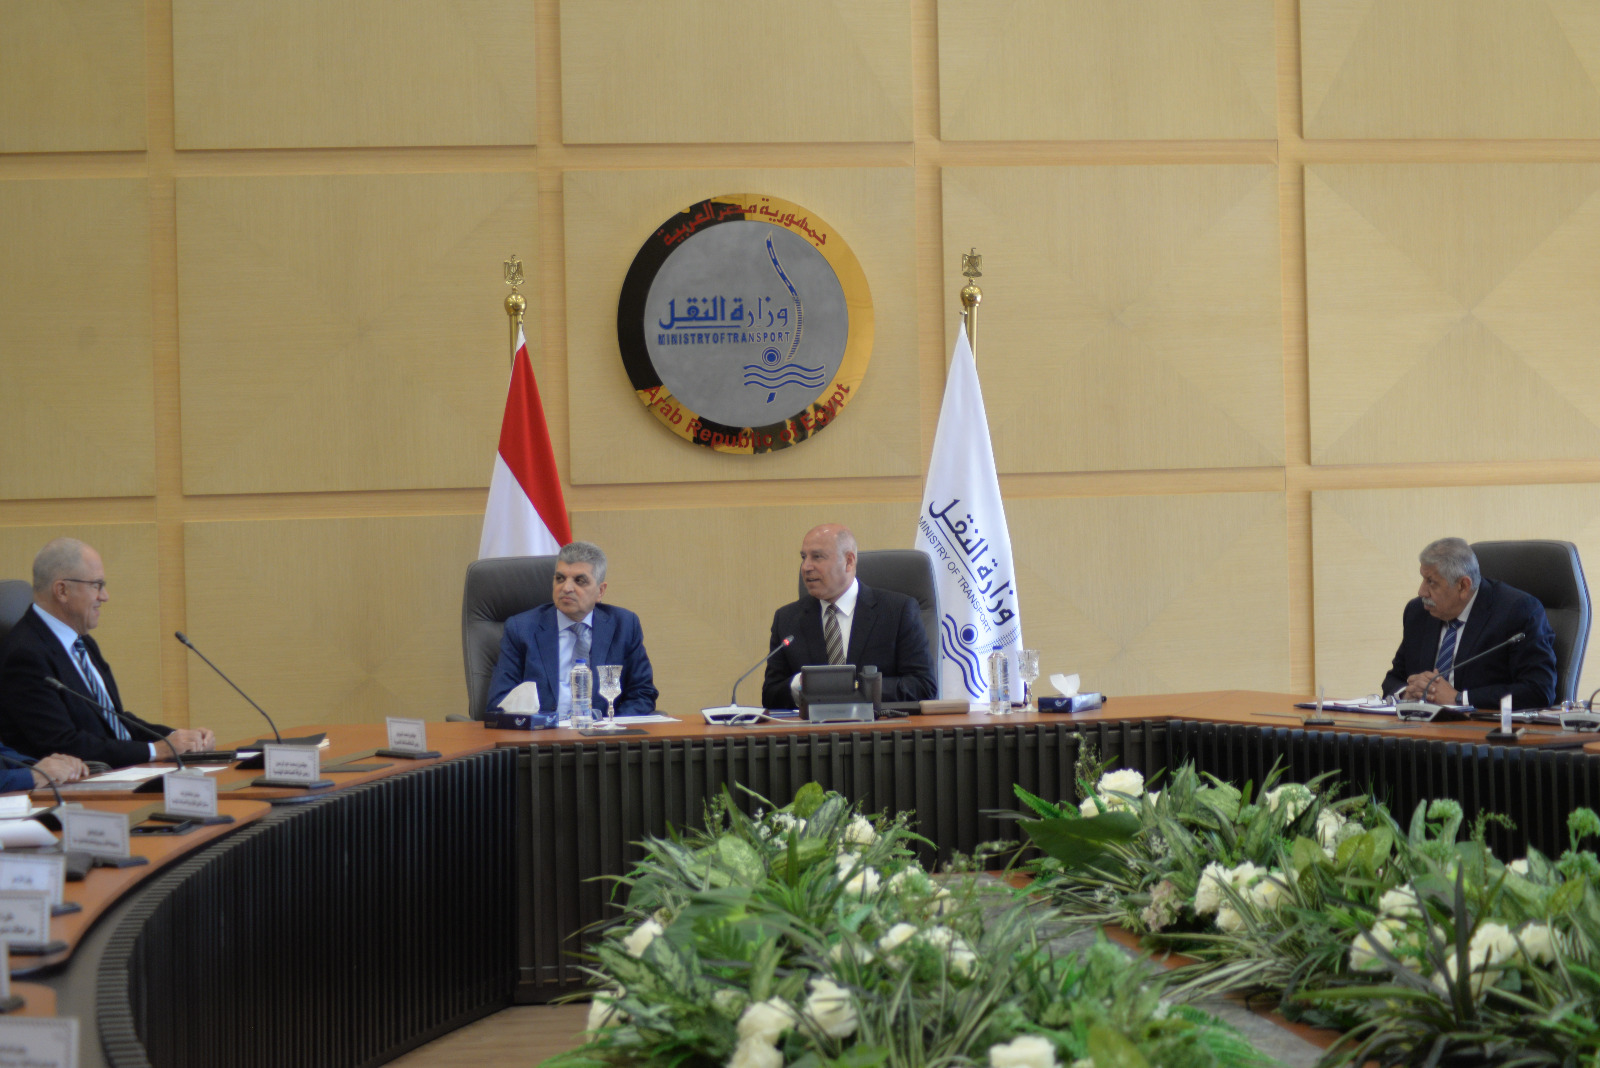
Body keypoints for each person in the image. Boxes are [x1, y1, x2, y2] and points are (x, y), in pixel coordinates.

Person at [0, 538, 216, 768]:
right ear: (62, 590)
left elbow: (114, 720)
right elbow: (62, 744)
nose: (105, 596)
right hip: (75, 782)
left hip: (117, 772)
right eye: (96, 585)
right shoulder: (25, 656)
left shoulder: (81, 642)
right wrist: (157, 750)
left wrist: (178, 738)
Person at [761, 524, 937, 710]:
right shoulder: (787, 619)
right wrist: (799, 684)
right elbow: (770, 695)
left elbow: (923, 686)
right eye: (804, 557)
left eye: (817, 557)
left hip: (879, 726)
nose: (806, 567)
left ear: (849, 561)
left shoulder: (897, 611)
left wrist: (854, 688)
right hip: (813, 727)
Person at [1381, 537, 1557, 710]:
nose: (1421, 592)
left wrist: (1459, 699)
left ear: (1463, 586)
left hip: (1483, 726)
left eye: (1431, 582)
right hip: (1421, 725)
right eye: (1423, 579)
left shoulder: (1517, 611)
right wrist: (1407, 693)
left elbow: (1539, 690)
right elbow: (1393, 679)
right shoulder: (1418, 613)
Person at [487, 541, 657, 717]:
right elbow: (499, 701)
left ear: (600, 591)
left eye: (580, 581)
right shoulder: (521, 629)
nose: (566, 588)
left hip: (600, 732)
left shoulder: (624, 625)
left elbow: (642, 694)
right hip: (543, 731)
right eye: (560, 578)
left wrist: (609, 725)